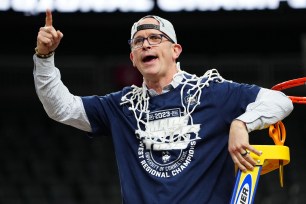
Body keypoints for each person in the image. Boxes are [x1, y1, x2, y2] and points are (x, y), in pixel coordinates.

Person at [33, 10, 293, 204]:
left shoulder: (212, 91)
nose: (145, 44)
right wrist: (44, 57)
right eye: (138, 42)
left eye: (155, 38)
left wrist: (241, 123)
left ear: (176, 50)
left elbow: (279, 100)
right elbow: (61, 108)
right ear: (133, 58)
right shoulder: (121, 106)